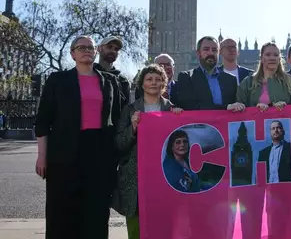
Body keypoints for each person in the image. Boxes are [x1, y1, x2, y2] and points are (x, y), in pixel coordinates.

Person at [34, 35, 121, 239]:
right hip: (64, 153)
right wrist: (42, 155)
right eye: (81, 47)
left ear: (96, 52)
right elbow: (43, 120)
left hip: (99, 153)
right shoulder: (58, 80)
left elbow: (116, 120)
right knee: (62, 211)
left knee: (96, 212)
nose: (86, 50)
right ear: (73, 54)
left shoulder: (109, 82)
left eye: (90, 47)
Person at [113, 64, 182, 239]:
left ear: (163, 84)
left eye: (158, 80)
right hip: (136, 179)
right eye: (149, 79)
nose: (153, 83)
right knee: (136, 230)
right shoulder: (129, 110)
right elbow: (119, 143)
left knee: (165, 228)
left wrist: (180, 120)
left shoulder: (173, 111)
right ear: (142, 83)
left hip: (165, 177)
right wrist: (133, 129)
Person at [231, 42, 291, 112]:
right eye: (268, 55)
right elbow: (239, 109)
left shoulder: (288, 81)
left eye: (275, 55)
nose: (272, 58)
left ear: (279, 59)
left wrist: (285, 107)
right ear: (261, 58)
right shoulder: (247, 83)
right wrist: (256, 108)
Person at [172, 36, 238, 110]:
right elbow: (190, 106)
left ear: (219, 53)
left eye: (214, 50)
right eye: (206, 49)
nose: (211, 53)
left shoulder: (231, 80)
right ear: (198, 53)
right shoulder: (186, 78)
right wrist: (226, 107)